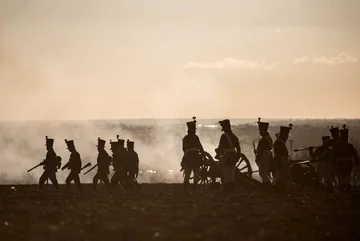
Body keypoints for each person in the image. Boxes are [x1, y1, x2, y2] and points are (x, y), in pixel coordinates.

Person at [215, 119, 241, 192]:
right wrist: (237, 156)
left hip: (226, 156)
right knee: (231, 172)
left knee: (226, 172)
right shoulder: (234, 136)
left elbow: (221, 147)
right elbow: (238, 148)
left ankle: (227, 188)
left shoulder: (224, 136)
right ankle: (232, 188)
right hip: (233, 156)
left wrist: (218, 151)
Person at [333, 125, 359, 192]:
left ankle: (343, 188)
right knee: (346, 177)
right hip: (347, 164)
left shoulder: (337, 146)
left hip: (341, 164)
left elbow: (333, 156)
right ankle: (346, 188)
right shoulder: (349, 145)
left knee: (343, 177)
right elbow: (355, 155)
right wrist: (357, 162)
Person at [181, 117, 204, 192]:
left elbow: (184, 149)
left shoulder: (184, 138)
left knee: (187, 173)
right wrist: (203, 155)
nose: (194, 131)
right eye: (194, 129)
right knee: (196, 172)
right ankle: (194, 187)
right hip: (195, 158)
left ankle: (185, 186)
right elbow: (200, 147)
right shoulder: (195, 137)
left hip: (187, 158)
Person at [273, 124, 293, 191]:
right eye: (286, 136)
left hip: (283, 162)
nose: (287, 137)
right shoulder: (279, 142)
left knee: (284, 176)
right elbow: (281, 153)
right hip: (281, 162)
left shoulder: (280, 142)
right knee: (280, 176)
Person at [255, 118, 273, 185]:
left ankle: (267, 185)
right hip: (269, 156)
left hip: (263, 157)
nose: (259, 132)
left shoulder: (263, 140)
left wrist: (257, 159)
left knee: (262, 173)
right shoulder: (269, 138)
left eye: (260, 131)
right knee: (266, 172)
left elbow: (261, 151)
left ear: (263, 131)